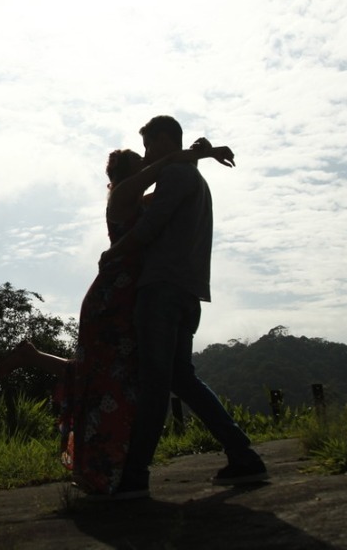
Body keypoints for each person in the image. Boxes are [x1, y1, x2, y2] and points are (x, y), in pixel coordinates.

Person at [0, 139, 235, 498]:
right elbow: (168, 163)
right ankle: (33, 359)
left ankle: (34, 358)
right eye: (143, 160)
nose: (149, 165)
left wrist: (198, 158)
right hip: (113, 296)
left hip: (127, 294)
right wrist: (199, 153)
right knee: (103, 374)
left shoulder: (138, 201)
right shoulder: (124, 194)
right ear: (129, 172)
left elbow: (172, 196)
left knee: (112, 376)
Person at [105, 115, 268, 497]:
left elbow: (151, 227)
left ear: (164, 140)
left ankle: (135, 475)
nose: (146, 155)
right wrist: (205, 152)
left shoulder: (176, 177)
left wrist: (113, 254)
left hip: (161, 289)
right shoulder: (193, 177)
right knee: (181, 378)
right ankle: (242, 455)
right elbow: (177, 163)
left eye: (149, 145)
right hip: (187, 291)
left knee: (155, 384)